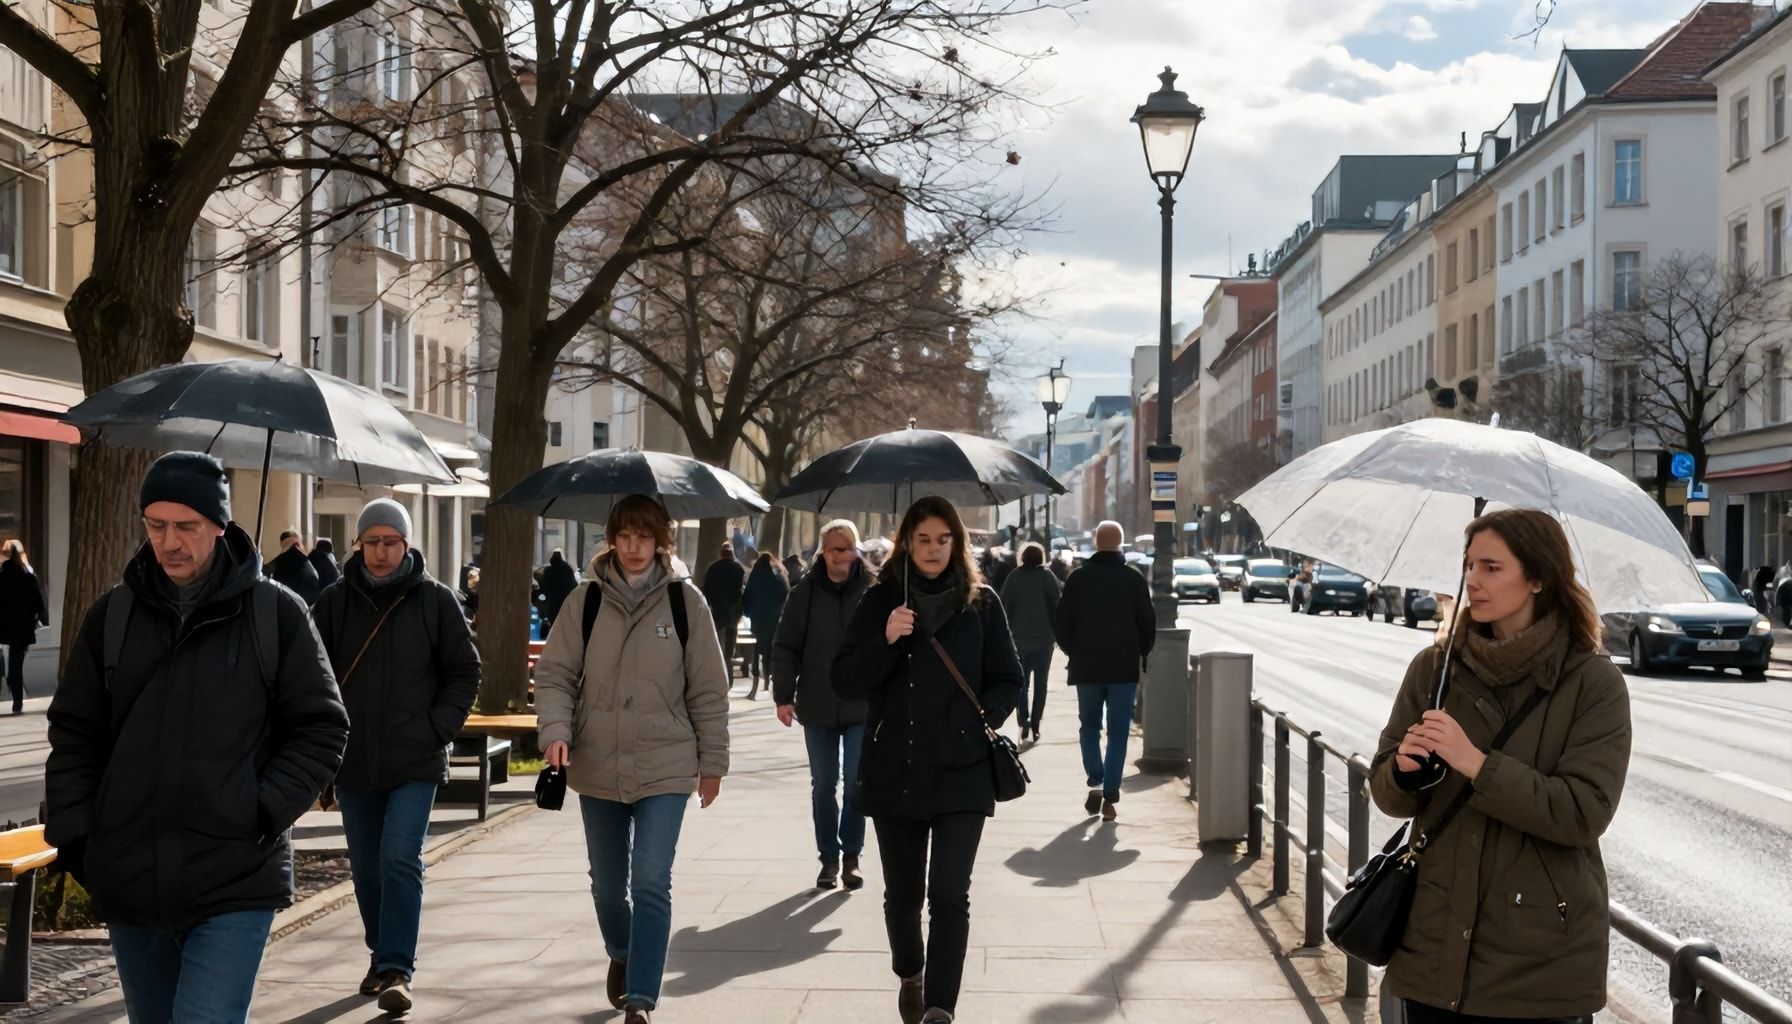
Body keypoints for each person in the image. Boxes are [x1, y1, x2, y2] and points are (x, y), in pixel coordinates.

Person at [44, 451, 347, 1024]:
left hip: (235, 875)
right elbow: (75, 734)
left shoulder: (276, 613)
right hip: (130, 876)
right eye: (155, 525)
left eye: (185, 526)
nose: (169, 541)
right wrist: (80, 835)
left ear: (220, 525)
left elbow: (321, 726)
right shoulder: (112, 616)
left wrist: (260, 810)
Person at [1370, 508, 1631, 1024]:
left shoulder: (1592, 682)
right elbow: (1385, 793)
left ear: (1537, 577)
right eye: (1468, 565)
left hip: (1537, 964)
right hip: (1432, 948)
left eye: (1491, 567)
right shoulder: (1435, 668)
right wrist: (1402, 769)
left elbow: (1583, 812)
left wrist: (1474, 763)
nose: (1472, 580)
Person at [534, 494, 731, 1024]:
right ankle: (621, 953)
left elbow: (709, 691)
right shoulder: (586, 600)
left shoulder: (687, 604)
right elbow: (554, 674)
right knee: (605, 886)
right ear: (612, 539)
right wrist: (554, 730)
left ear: (661, 540)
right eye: (624, 536)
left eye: (644, 537)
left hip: (667, 763)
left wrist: (712, 764)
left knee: (649, 878)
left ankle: (641, 998)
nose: (634, 547)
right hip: (597, 761)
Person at [834, 495, 1022, 1024]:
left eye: (944, 539)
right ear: (906, 543)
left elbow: (1008, 677)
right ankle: (910, 972)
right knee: (903, 896)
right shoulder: (880, 603)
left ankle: (941, 1006)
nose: (934, 549)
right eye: (924, 539)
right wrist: (888, 639)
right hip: (897, 768)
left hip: (963, 771)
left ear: (957, 544)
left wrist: (983, 717)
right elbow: (844, 678)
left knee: (949, 892)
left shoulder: (981, 602)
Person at [312, 498, 481, 1013]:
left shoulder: (435, 601)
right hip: (354, 759)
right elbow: (309, 676)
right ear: (358, 545)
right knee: (366, 867)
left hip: (416, 758)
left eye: (390, 542)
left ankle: (396, 969)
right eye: (372, 542)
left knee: (400, 858)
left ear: (407, 545)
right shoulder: (334, 603)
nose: (381, 553)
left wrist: (437, 729)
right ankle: (380, 954)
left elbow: (464, 671)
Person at [771, 520, 872, 891]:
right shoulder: (805, 593)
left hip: (862, 705)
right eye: (833, 549)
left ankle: (852, 857)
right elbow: (786, 646)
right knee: (824, 784)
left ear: (856, 551)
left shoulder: (873, 591)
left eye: (845, 548)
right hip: (816, 703)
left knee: (856, 785)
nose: (839, 556)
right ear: (823, 552)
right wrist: (783, 695)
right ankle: (828, 857)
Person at [1052, 520, 1154, 822]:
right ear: (1120, 543)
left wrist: (1074, 650)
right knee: (1119, 731)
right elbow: (1146, 622)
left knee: (1089, 726)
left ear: (1096, 542)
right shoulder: (1133, 579)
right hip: (1123, 667)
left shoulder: (1078, 579)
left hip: (1088, 666)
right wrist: (1143, 651)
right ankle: (1110, 793)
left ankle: (1095, 778)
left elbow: (1061, 623)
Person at [1000, 542, 1060, 744]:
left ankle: (1023, 720)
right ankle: (1036, 723)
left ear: (1022, 557)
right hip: (1044, 639)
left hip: (1019, 640)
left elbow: (1004, 605)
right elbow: (1056, 606)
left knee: (1022, 684)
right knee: (1041, 683)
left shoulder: (1015, 577)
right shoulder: (1047, 577)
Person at [0, 540, 49, 713]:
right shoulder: (28, 578)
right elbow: (39, 603)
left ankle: (13, 690)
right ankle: (17, 699)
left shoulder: (2, 577)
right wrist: (41, 619)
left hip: (6, 627)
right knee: (16, 663)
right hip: (23, 628)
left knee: (13, 665)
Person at [741, 553, 790, 700]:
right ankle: (767, 679)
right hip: (772, 619)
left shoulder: (754, 579)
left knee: (757, 650)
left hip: (757, 620)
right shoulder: (776, 580)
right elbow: (785, 593)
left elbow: (746, 598)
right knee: (769, 649)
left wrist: (749, 613)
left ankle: (756, 681)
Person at [701, 543, 747, 678]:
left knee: (717, 643)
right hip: (732, 613)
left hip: (716, 612)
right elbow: (741, 590)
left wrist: (709, 606)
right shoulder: (738, 568)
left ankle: (720, 672)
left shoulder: (712, 568)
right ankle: (728, 673)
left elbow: (706, 590)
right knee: (730, 644)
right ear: (731, 555)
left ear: (721, 554)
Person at [270, 530, 322, 606]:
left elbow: (279, 586)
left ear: (282, 544)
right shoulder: (305, 559)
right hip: (308, 603)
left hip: (293, 603)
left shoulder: (283, 560)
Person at [540, 548, 579, 632]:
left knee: (553, 622)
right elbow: (574, 585)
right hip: (565, 601)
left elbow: (544, 585)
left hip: (553, 602)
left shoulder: (548, 570)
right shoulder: (567, 569)